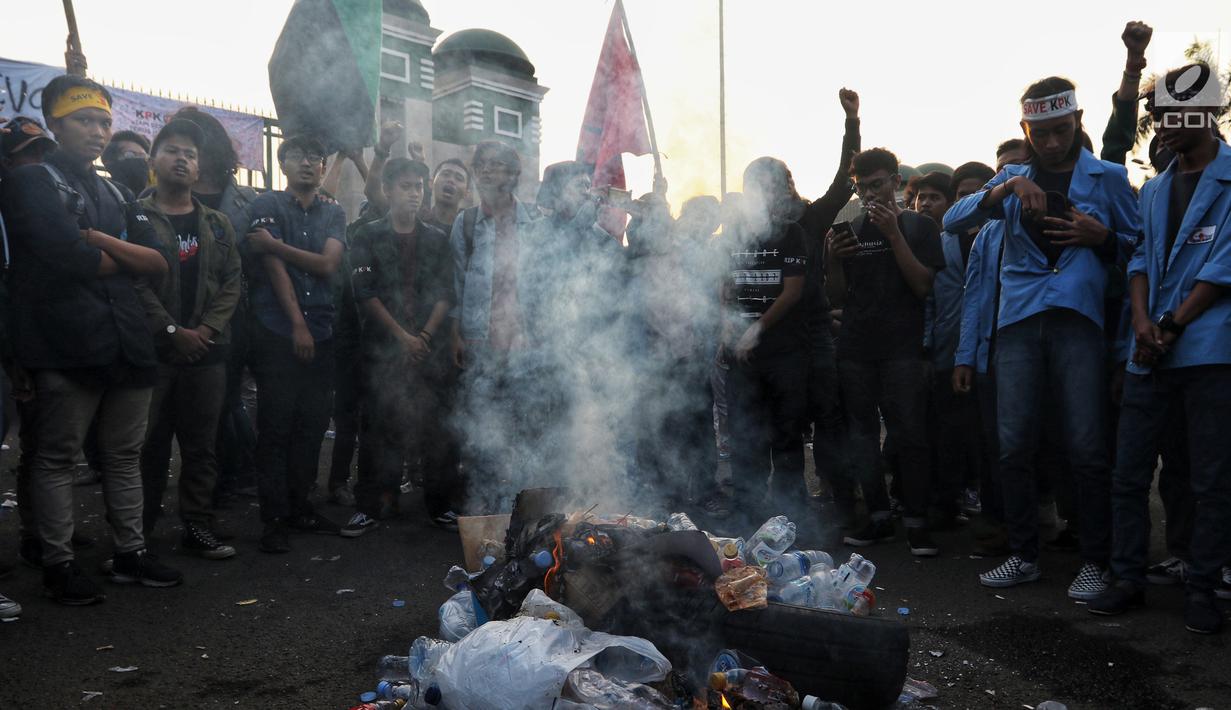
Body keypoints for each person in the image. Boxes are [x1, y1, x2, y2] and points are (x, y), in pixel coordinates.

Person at [945, 77, 1141, 600]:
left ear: (1078, 122)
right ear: (1025, 130)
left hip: (1079, 322)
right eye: (1041, 133)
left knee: (1086, 446)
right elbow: (951, 220)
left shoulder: (1108, 177)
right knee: (1012, 445)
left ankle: (1095, 561)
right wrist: (1006, 187)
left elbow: (1142, 251)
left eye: (1061, 130)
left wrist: (1104, 238)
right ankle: (1024, 555)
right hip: (1017, 325)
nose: (1052, 143)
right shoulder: (1011, 177)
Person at [0, 74, 181, 603]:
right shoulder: (31, 182)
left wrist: (98, 239)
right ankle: (57, 563)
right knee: (57, 457)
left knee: (124, 455)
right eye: (84, 120)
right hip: (66, 344)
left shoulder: (116, 191)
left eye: (104, 121)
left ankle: (130, 552)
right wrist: (124, 257)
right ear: (55, 125)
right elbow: (67, 259)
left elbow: (160, 261)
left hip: (127, 341)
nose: (98, 131)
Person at [1089, 66, 1230, 634]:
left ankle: (1203, 587)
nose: (1164, 124)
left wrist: (1170, 325)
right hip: (1147, 349)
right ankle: (1128, 578)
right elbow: (1142, 259)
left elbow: (1223, 268)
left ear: (1209, 113)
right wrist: (1144, 323)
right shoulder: (1153, 188)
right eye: (1158, 114)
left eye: (1174, 114)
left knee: (1210, 478)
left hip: (1209, 351)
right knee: (1128, 473)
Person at [135, 119, 242, 559]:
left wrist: (205, 331)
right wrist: (171, 331)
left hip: (206, 353)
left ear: (199, 168)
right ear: (153, 159)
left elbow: (232, 282)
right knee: (146, 446)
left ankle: (197, 525)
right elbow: (134, 283)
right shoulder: (135, 217)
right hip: (154, 352)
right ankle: (137, 533)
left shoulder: (217, 224)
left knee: (201, 447)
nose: (182, 159)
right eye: (173, 150)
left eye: (190, 154)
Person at [830, 148, 945, 557]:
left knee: (909, 433)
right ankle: (878, 516)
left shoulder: (919, 226)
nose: (869, 195)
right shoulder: (852, 226)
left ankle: (916, 521)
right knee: (861, 436)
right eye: (861, 188)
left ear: (896, 181)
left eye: (877, 185)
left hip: (902, 346)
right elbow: (837, 296)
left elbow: (923, 286)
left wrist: (893, 233)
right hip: (856, 346)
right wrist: (832, 259)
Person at [243, 135, 347, 553]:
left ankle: (300, 506)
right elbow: (273, 269)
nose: (307, 163)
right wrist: (297, 325)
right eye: (297, 156)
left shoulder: (334, 212)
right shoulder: (266, 205)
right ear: (283, 163)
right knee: (275, 425)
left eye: (315, 157)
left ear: (323, 167)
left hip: (323, 329)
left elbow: (328, 264)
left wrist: (276, 245)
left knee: (312, 424)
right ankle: (274, 518)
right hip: (276, 330)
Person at [344, 158, 456, 535]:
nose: (414, 193)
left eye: (418, 186)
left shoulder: (436, 238)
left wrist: (424, 336)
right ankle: (373, 504)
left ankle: (440, 506)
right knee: (378, 428)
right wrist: (402, 337)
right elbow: (365, 294)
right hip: (383, 350)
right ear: (388, 190)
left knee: (436, 429)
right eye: (406, 186)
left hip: (429, 351)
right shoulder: (367, 235)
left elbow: (445, 293)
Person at [167, 107, 260, 505]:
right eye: (177, 147)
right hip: (172, 318)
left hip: (229, 318)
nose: (185, 154)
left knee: (224, 400)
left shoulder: (245, 200)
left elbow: (250, 264)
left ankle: (229, 477)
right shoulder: (153, 199)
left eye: (193, 144)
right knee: (179, 408)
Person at [720, 158, 809, 531]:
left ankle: (791, 515)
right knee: (745, 435)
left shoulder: (791, 233)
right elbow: (725, 286)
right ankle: (746, 512)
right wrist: (728, 327)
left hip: (785, 353)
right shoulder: (735, 232)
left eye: (769, 185)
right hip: (741, 358)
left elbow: (792, 291)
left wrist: (756, 328)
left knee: (786, 436)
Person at [450, 140, 539, 510]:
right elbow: (455, 283)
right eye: (481, 165)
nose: (486, 171)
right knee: (482, 431)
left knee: (523, 430)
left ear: (513, 174)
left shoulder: (534, 222)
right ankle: (482, 509)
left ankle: (520, 508)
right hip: (479, 344)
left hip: (524, 347)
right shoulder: (466, 223)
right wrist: (456, 334)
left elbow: (547, 283)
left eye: (496, 164)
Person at [101, 129, 151, 196]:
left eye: (143, 156)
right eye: (130, 155)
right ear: (110, 161)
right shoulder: (101, 194)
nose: (139, 159)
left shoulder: (155, 197)